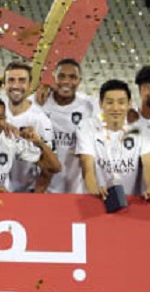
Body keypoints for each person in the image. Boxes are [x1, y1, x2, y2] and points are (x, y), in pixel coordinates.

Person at [0, 62, 57, 192]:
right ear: (4, 84)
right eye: (11, 80)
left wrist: (37, 195)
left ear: (30, 85)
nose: (16, 85)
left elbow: (49, 165)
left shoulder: (41, 120)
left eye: (22, 80)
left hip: (25, 192)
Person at [77, 79, 150, 201]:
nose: (115, 108)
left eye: (121, 102)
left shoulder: (142, 128)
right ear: (101, 103)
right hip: (99, 198)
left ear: (129, 104)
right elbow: (87, 165)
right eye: (110, 102)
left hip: (132, 200)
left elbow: (149, 163)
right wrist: (94, 190)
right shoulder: (87, 127)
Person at [32, 58, 101, 194]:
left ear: (80, 80)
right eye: (61, 76)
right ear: (53, 77)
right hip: (41, 186)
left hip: (75, 187)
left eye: (72, 77)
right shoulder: (39, 101)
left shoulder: (90, 105)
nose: (66, 81)